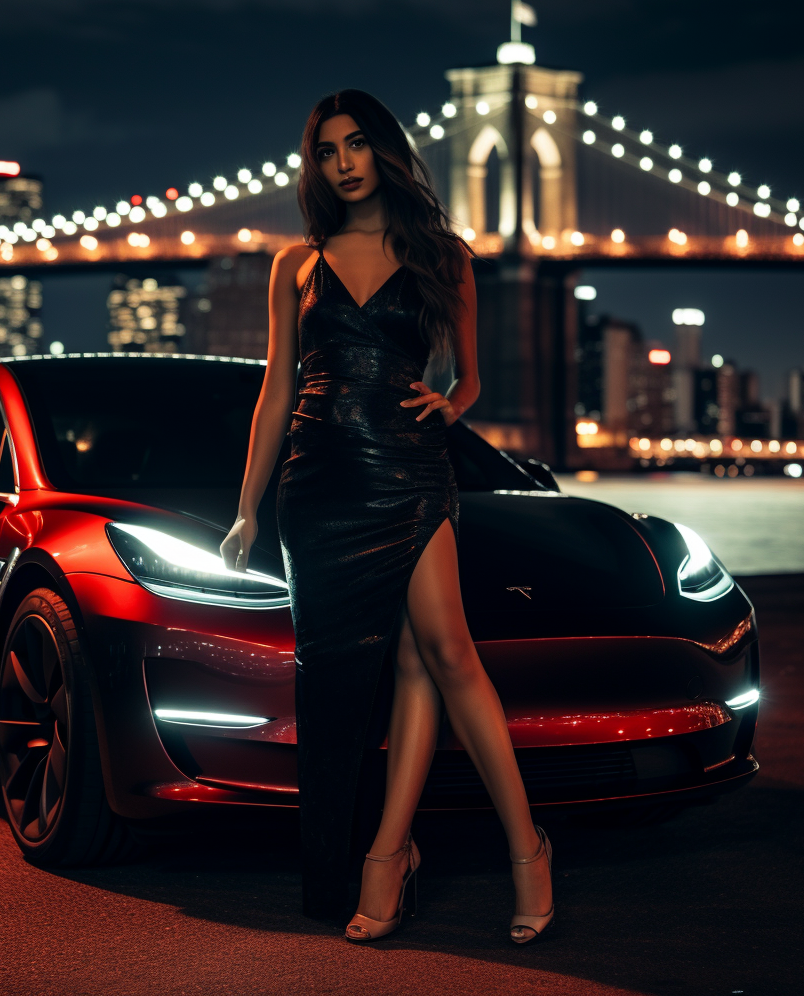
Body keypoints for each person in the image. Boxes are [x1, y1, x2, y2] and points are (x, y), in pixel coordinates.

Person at [220, 89, 554, 944]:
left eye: (357, 145)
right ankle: (385, 855)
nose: (343, 163)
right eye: (327, 151)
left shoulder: (443, 257)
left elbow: (470, 378)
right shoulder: (296, 264)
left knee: (444, 651)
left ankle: (527, 848)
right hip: (318, 483)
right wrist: (248, 510)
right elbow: (276, 389)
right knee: (375, 674)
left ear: (386, 152)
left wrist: (452, 403)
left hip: (407, 470)